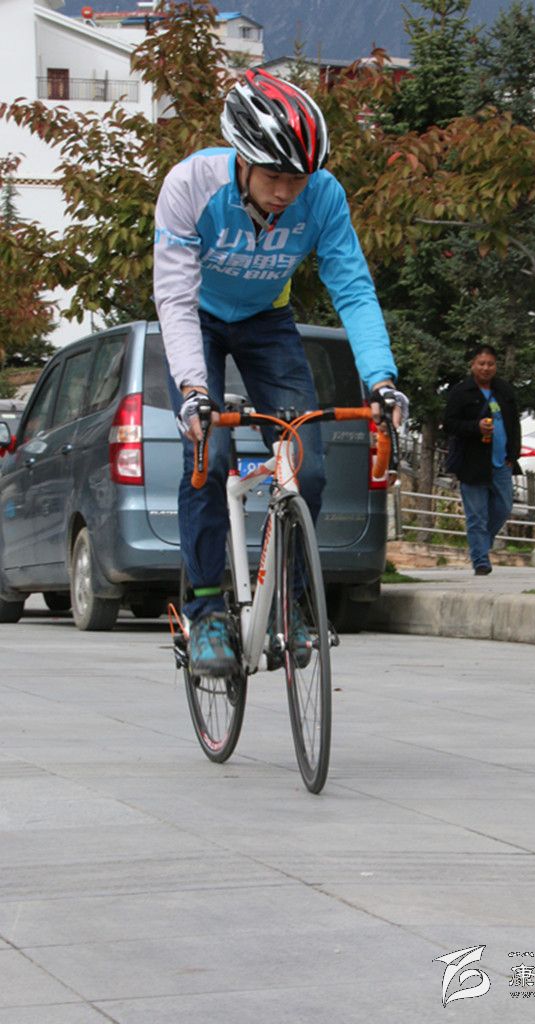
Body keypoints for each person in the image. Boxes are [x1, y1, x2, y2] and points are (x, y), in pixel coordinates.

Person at [153, 69, 407, 677]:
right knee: (209, 456)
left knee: (307, 463)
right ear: (241, 158)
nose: (286, 192)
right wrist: (194, 391)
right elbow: (175, 299)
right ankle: (206, 610)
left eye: (299, 179)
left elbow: (352, 287)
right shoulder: (190, 185)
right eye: (274, 177)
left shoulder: (324, 195)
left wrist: (381, 378)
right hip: (198, 319)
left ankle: (288, 601)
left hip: (267, 322)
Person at [442, 344, 521, 575]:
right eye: (481, 364)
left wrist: (512, 455)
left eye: (490, 364)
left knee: (504, 508)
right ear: (473, 365)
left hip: (502, 462)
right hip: (472, 463)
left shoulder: (504, 390)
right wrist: (475, 427)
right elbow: (449, 424)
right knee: (476, 515)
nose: (486, 368)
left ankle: (482, 543)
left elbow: (514, 424)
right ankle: (480, 560)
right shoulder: (461, 391)